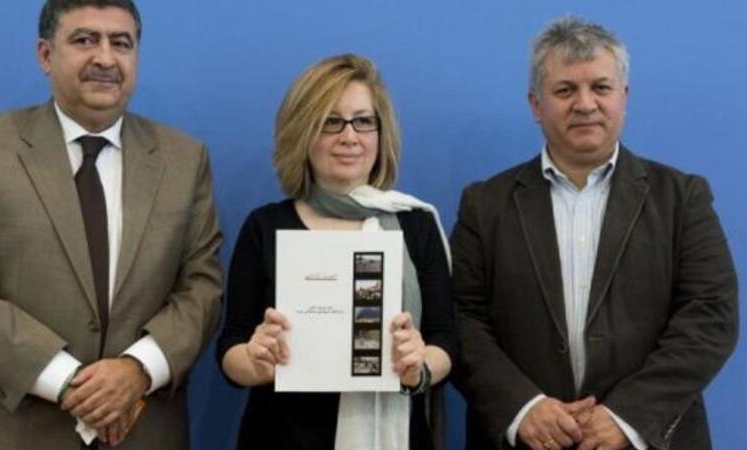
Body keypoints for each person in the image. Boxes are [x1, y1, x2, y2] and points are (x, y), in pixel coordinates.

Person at [451, 16, 738, 450]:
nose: (585, 104)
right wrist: (524, 408)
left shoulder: (682, 198)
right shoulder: (484, 203)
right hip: (527, 441)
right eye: (565, 90)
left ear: (624, 96)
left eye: (600, 87)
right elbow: (461, 317)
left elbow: (712, 315)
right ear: (535, 104)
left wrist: (628, 416)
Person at [0, 1, 223, 448]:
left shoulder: (185, 159)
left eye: (121, 43)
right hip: (8, 428)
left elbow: (202, 288)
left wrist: (137, 370)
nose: (105, 58)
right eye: (84, 40)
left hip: (142, 429)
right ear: (45, 54)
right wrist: (68, 381)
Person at [216, 54, 457, 450]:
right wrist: (256, 360)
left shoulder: (417, 225)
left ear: (380, 133)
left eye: (363, 121)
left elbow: (446, 340)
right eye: (331, 122)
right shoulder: (265, 226)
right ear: (302, 132)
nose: (349, 136)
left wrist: (419, 365)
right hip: (282, 437)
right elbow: (230, 349)